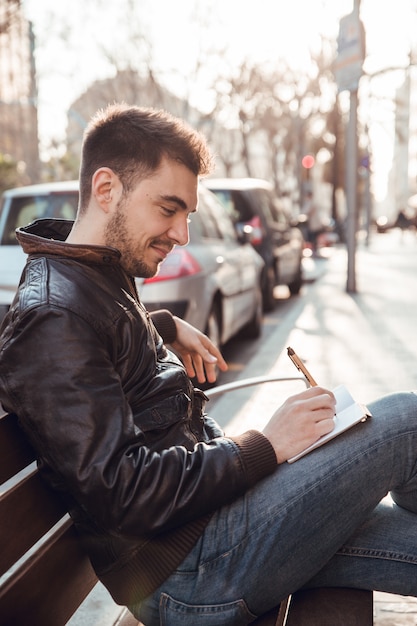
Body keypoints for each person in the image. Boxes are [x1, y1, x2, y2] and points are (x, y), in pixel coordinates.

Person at [1, 104, 417, 626]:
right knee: (405, 420)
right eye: (168, 208)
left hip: (208, 535)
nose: (182, 235)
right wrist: (266, 447)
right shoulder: (54, 316)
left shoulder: (91, 276)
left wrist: (166, 327)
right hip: (192, 572)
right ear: (106, 190)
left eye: (188, 215)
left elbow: (97, 346)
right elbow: (122, 493)